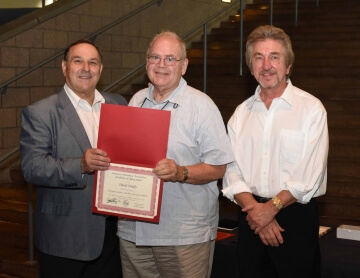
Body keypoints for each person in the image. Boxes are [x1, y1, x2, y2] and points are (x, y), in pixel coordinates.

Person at [117, 30, 234, 278]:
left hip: (182, 235)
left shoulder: (201, 106)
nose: (161, 65)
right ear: (147, 61)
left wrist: (180, 172)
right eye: (155, 57)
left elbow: (219, 167)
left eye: (170, 59)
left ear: (184, 66)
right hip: (134, 231)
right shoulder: (136, 100)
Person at [222, 25, 329, 278]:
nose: (266, 65)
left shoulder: (311, 110)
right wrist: (257, 212)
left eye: (274, 57)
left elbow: (308, 175)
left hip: (295, 219)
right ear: (251, 67)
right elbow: (231, 171)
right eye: (258, 57)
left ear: (288, 65)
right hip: (250, 217)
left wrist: (269, 210)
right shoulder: (240, 114)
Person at [19, 39, 127, 278]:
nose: (86, 68)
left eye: (93, 62)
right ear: (64, 67)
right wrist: (79, 165)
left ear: (101, 69)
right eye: (78, 61)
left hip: (111, 237)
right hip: (64, 238)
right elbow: (31, 166)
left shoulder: (118, 103)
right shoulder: (40, 112)